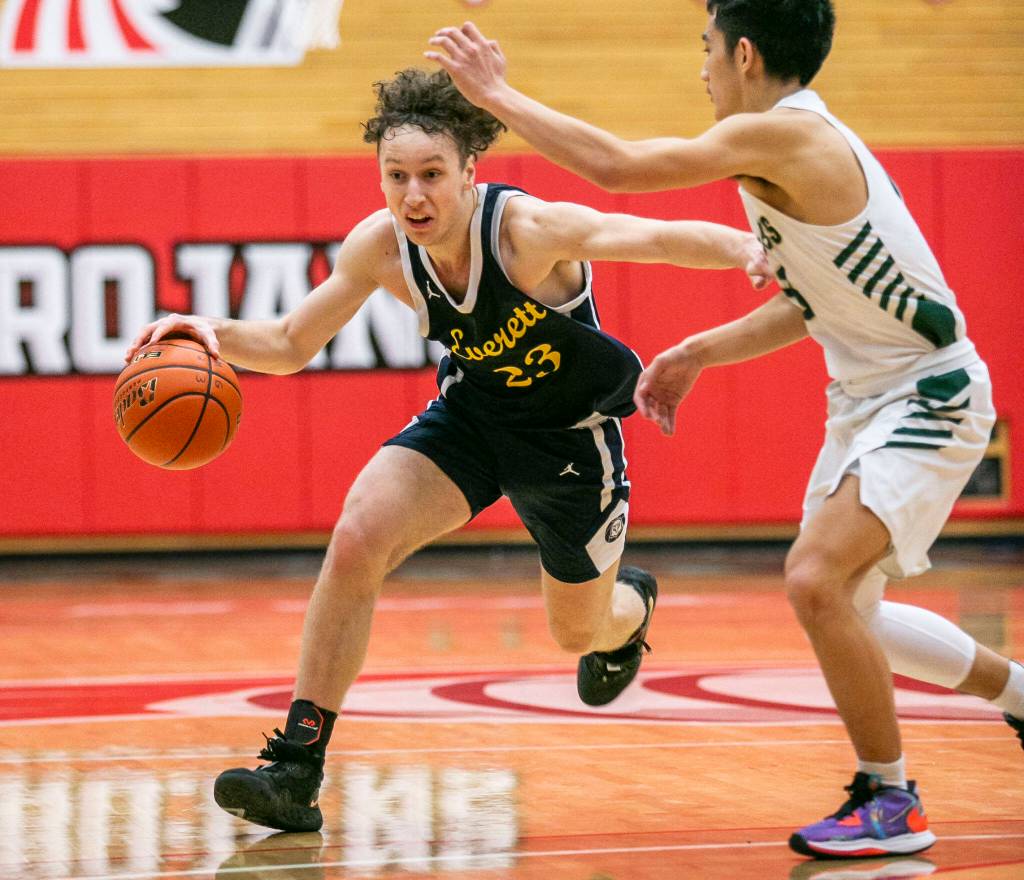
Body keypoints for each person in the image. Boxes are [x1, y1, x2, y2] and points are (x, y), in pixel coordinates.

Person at [426, 1, 1024, 861]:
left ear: (743, 53)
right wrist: (697, 352)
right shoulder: (794, 153)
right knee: (851, 611)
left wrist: (499, 95)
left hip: (926, 391)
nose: (700, 68)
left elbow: (621, 168)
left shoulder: (788, 138)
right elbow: (810, 300)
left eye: (705, 49)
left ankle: (891, 800)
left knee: (815, 580)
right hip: (869, 398)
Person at [126, 67, 770, 833]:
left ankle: (631, 611)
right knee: (358, 536)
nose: (414, 196)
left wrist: (746, 245)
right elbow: (293, 342)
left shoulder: (524, 233)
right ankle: (295, 768)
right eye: (395, 177)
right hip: (471, 418)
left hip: (568, 441)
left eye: (432, 174)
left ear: (471, 172)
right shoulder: (383, 247)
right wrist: (208, 332)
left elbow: (649, 237)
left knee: (579, 631)